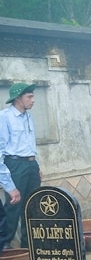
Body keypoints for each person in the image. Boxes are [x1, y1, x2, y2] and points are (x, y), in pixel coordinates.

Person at [0, 83, 40, 248]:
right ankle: (5, 245)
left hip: (31, 164)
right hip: (15, 164)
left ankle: (29, 245)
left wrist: (37, 167)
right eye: (29, 97)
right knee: (14, 205)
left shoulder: (28, 117)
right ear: (17, 98)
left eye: (33, 96)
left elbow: (30, 144)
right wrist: (8, 185)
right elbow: (1, 150)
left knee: (32, 205)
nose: (33, 100)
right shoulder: (5, 117)